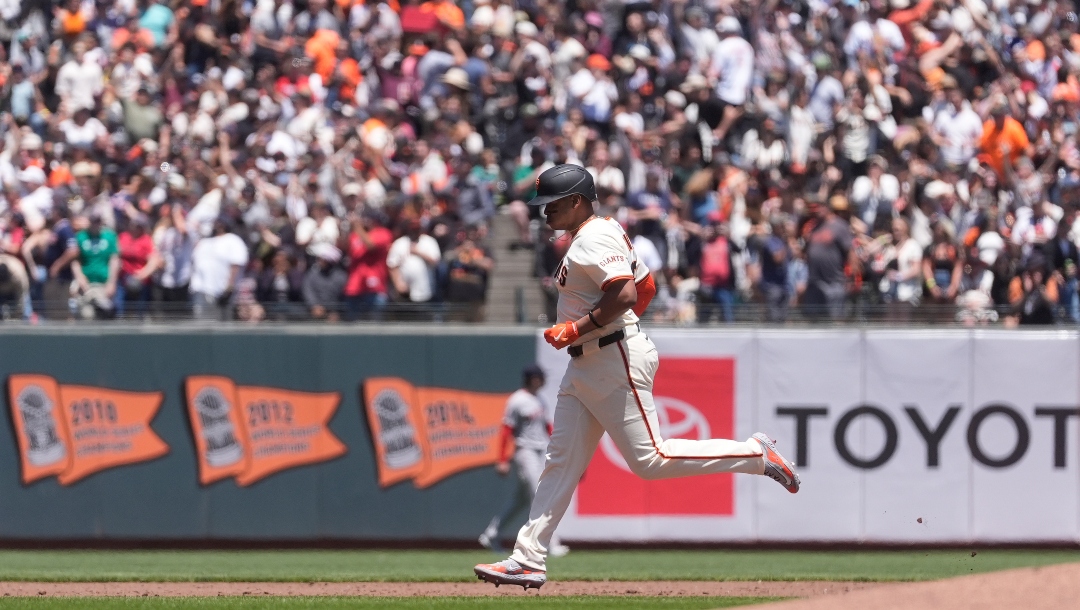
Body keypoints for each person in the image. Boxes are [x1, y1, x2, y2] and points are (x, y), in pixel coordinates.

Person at [473, 165, 800, 590]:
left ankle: (756, 454)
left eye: (551, 204)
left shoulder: (596, 235)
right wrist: (607, 330)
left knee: (651, 461)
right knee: (559, 463)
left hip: (610, 357)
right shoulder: (598, 231)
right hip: (589, 362)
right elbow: (644, 288)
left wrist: (583, 329)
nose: (544, 213)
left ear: (575, 201)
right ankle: (528, 559)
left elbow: (627, 293)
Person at [479, 365, 569, 558]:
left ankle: (491, 533)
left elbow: (547, 427)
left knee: (520, 501)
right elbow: (506, 431)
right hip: (525, 451)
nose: (543, 380)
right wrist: (502, 459)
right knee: (541, 495)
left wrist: (559, 449)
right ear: (533, 379)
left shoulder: (539, 400)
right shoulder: (517, 400)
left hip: (541, 450)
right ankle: (550, 543)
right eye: (540, 377)